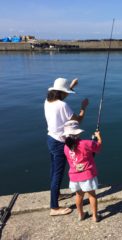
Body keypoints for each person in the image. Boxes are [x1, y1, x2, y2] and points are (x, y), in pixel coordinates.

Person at [44, 77, 89, 216]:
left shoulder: (48, 101)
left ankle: (56, 195)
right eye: (67, 91)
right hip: (60, 143)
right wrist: (83, 107)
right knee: (58, 174)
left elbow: (61, 98)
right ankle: (54, 208)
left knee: (53, 171)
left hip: (51, 139)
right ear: (62, 93)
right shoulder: (63, 106)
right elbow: (78, 120)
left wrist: (71, 86)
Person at [63, 120, 102, 222]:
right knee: (92, 195)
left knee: (79, 195)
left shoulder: (65, 148)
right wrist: (98, 137)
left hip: (74, 176)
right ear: (78, 133)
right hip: (87, 175)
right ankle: (95, 216)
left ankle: (80, 215)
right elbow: (98, 148)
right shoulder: (86, 143)